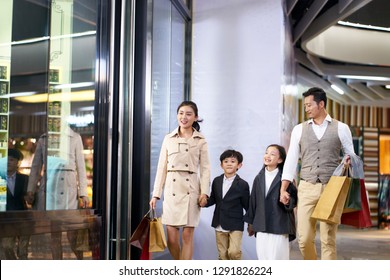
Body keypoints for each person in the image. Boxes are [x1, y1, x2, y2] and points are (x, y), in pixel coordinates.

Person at [280, 87, 355, 260]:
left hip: (332, 188)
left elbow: (351, 155)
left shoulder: (341, 128)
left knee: (328, 239)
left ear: (321, 104)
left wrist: (350, 160)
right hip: (307, 186)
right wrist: (284, 188)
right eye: (305, 105)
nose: (306, 108)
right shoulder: (299, 129)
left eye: (309, 105)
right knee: (304, 238)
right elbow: (291, 160)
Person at [149, 101, 210, 260]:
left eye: (189, 114)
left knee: (187, 236)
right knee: (172, 239)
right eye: (181, 113)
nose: (184, 117)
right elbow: (161, 168)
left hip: (191, 190)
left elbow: (205, 169)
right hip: (172, 190)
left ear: (195, 117)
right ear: (177, 115)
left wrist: (205, 192)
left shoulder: (200, 140)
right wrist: (156, 194)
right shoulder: (168, 138)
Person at [26, 127, 89, 259]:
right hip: (50, 186)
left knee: (72, 233)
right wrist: (30, 190)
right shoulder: (44, 138)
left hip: (68, 188)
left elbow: (81, 166)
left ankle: (81, 261)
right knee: (54, 233)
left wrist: (83, 193)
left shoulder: (75, 137)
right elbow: (36, 166)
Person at [244, 144, 296, 260]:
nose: (268, 156)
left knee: (277, 259)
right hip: (262, 225)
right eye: (266, 152)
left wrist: (287, 200)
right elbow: (253, 202)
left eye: (272, 154)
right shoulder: (259, 178)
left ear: (280, 159)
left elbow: (294, 199)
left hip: (279, 225)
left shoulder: (286, 178)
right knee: (263, 259)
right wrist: (251, 224)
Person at [203, 149, 249, 260]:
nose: (229, 163)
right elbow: (213, 199)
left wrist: (251, 224)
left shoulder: (243, 184)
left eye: (233, 161)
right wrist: (204, 202)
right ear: (221, 165)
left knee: (233, 252)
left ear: (239, 165)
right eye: (226, 161)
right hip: (219, 222)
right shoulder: (216, 181)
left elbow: (247, 205)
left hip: (236, 224)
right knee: (223, 255)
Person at [2, 148, 30, 259]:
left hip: (23, 217)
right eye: (6, 160)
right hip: (7, 219)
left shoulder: (24, 179)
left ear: (18, 162)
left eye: (12, 160)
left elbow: (31, 197)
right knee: (7, 246)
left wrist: (30, 197)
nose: (8, 162)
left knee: (23, 250)